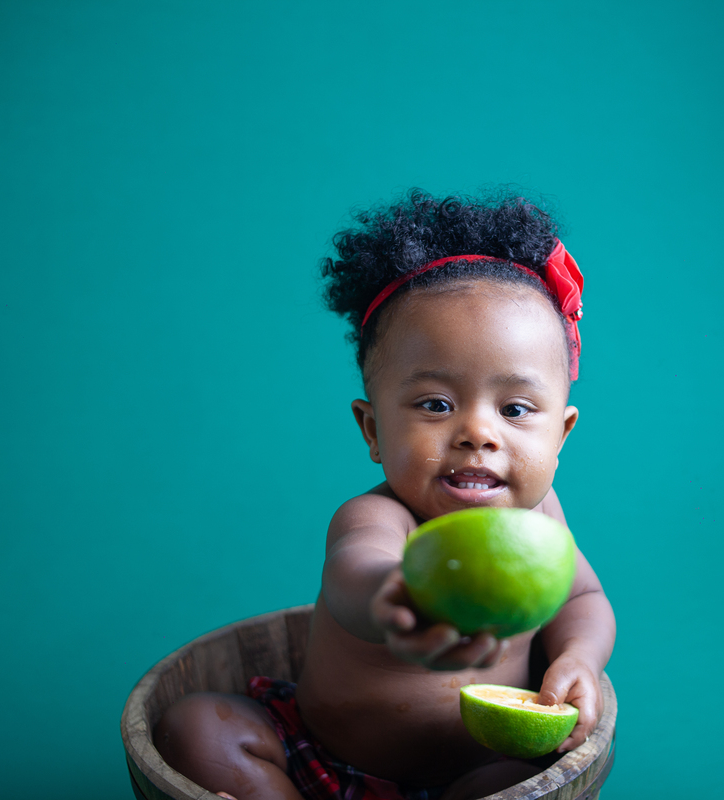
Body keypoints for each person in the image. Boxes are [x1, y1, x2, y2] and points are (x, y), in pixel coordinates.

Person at [153, 188, 616, 800]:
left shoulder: (542, 521)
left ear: (562, 434)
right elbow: (356, 574)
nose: (478, 432)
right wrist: (397, 599)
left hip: (476, 774)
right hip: (320, 759)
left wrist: (579, 658)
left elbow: (584, 598)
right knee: (195, 729)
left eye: (516, 408)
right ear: (373, 430)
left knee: (530, 780)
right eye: (435, 404)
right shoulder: (378, 517)